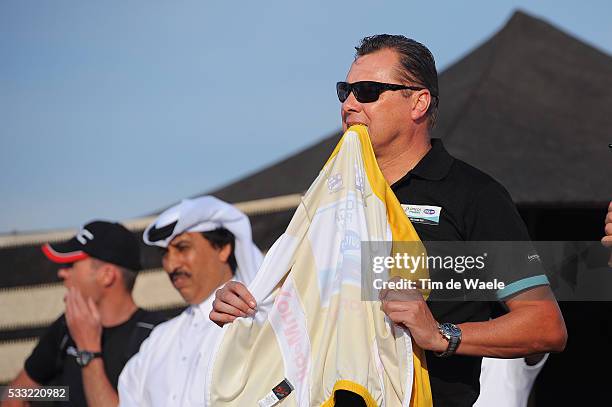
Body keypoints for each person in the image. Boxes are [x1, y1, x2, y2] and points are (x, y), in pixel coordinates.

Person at [210, 34, 567, 406]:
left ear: (418, 102)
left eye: (367, 91)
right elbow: (302, 314)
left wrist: (441, 335)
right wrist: (247, 308)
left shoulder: (473, 194)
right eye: (344, 90)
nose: (349, 104)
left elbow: (544, 325)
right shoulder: (327, 198)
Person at [117, 196, 263, 407]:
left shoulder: (257, 321)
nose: (170, 265)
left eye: (182, 248)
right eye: (164, 253)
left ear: (222, 249)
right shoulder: (158, 341)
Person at [1, 221, 165, 407]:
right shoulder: (67, 325)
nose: (62, 273)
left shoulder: (156, 336)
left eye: (71, 264)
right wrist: (58, 393)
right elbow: (14, 394)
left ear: (107, 276)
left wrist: (89, 351)